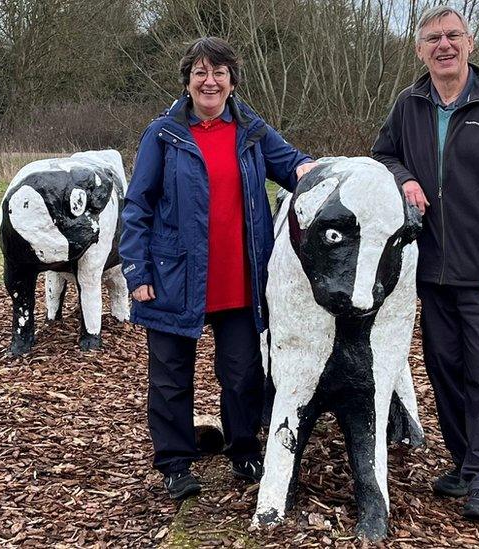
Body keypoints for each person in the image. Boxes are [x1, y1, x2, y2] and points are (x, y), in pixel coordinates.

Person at [119, 37, 316, 501]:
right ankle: (174, 463)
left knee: (243, 373)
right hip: (174, 277)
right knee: (170, 377)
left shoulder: (250, 129)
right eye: (201, 73)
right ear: (187, 80)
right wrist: (137, 272)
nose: (210, 82)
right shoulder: (164, 134)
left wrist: (311, 167)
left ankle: (243, 448)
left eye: (220, 73)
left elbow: (291, 164)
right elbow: (137, 207)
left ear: (231, 80)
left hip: (240, 279)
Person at [371, 6, 479, 522]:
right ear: (419, 51)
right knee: (445, 373)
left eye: (452, 36)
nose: (443, 46)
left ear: (470, 44)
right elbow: (381, 155)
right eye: (432, 39)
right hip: (432, 274)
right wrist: (404, 178)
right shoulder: (409, 103)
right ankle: (465, 463)